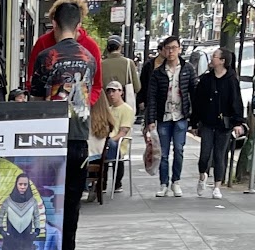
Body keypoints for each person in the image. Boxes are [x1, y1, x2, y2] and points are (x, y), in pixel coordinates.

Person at [28, 0, 97, 250]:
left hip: (50, 135)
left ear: (54, 24)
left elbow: (35, 98)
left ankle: (47, 245)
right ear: (79, 25)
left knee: (46, 193)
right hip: (79, 135)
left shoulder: (47, 57)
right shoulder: (90, 58)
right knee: (73, 196)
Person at [140, 36, 194, 198]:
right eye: (168, 48)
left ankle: (176, 181)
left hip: (181, 116)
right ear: (163, 50)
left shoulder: (187, 69)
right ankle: (163, 183)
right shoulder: (158, 73)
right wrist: (150, 120)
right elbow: (152, 97)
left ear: (179, 49)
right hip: (163, 117)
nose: (171, 51)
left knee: (179, 149)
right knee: (162, 153)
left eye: (174, 48)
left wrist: (194, 118)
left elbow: (194, 92)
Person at [192, 46, 246, 199]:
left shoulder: (231, 80)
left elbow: (236, 102)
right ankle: (202, 175)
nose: (211, 58)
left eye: (214, 56)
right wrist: (194, 123)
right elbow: (198, 102)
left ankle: (217, 186)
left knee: (220, 155)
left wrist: (238, 122)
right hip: (208, 122)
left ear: (222, 61)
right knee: (204, 155)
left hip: (224, 124)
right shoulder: (206, 79)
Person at [26, 3, 102, 102]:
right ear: (78, 25)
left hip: (53, 108)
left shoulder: (90, 46)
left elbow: (34, 87)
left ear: (54, 23)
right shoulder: (89, 55)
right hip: (79, 108)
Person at [0, 169, 47, 250]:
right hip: (10, 240)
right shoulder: (8, 201)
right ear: (16, 184)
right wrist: (1, 231)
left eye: (25, 184)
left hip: (27, 240)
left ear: (28, 185)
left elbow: (37, 217)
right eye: (20, 184)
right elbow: (0, 217)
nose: (22, 187)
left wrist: (36, 231)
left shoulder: (33, 201)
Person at [101, 80, 135, 192]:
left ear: (121, 92)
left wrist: (108, 140)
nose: (111, 94)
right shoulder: (108, 110)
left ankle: (115, 183)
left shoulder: (127, 109)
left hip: (119, 142)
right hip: (107, 140)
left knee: (109, 146)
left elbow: (123, 132)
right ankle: (100, 182)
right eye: (109, 92)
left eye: (114, 91)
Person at [103, 35, 141, 113]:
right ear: (120, 47)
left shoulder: (101, 64)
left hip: (106, 107)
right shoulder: (128, 63)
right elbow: (137, 87)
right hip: (125, 105)